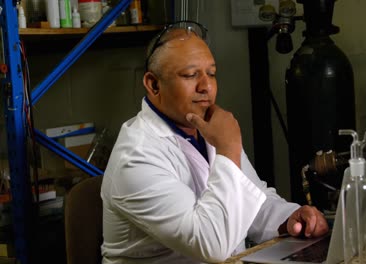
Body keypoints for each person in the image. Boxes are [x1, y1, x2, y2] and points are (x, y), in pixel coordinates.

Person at [100, 21, 329, 264]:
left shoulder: (204, 127)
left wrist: (289, 218)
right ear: (153, 84)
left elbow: (251, 198)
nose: (206, 87)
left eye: (211, 73)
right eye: (190, 75)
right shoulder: (136, 156)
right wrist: (228, 148)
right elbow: (211, 246)